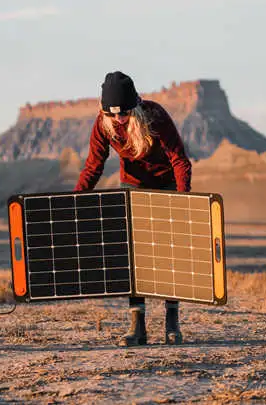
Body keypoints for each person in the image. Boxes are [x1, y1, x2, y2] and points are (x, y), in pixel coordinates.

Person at [74, 71, 192, 346]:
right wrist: (76, 200)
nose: (119, 119)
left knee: (166, 254)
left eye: (124, 114)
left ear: (135, 106)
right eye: (113, 114)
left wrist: (184, 199)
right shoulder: (104, 125)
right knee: (135, 256)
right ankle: (137, 326)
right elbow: (94, 165)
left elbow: (180, 161)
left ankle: (172, 322)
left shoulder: (155, 116)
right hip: (133, 186)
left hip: (165, 187)